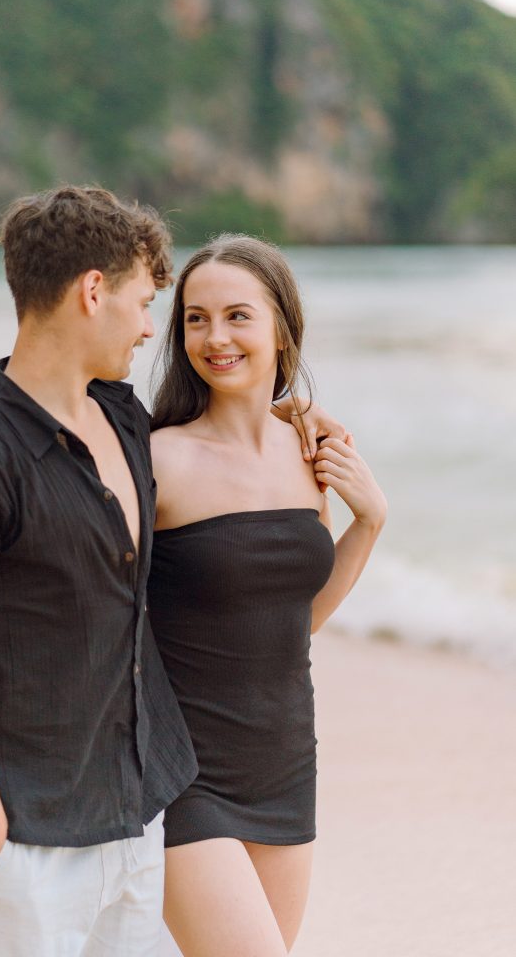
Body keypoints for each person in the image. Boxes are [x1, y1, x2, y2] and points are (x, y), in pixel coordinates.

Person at [0, 187, 344, 957]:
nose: (153, 327)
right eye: (151, 305)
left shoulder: (123, 423)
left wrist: (308, 441)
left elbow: (158, 585)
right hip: (48, 815)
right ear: (92, 291)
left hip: (153, 799)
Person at [147, 235, 387, 956]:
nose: (214, 337)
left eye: (236, 316)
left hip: (283, 761)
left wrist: (368, 522)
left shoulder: (308, 453)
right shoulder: (158, 457)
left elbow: (291, 625)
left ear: (281, 326)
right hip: (180, 770)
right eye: (194, 318)